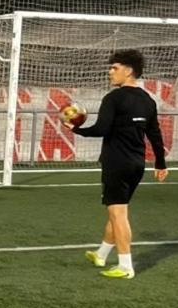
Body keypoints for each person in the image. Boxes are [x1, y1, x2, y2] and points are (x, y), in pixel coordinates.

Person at [66, 49, 168, 279]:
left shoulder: (113, 98)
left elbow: (101, 129)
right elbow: (155, 134)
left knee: (119, 213)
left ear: (129, 71)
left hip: (116, 163)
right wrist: (161, 164)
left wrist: (76, 129)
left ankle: (125, 266)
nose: (110, 72)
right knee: (117, 210)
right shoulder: (148, 100)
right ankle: (101, 254)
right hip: (136, 165)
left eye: (115, 68)